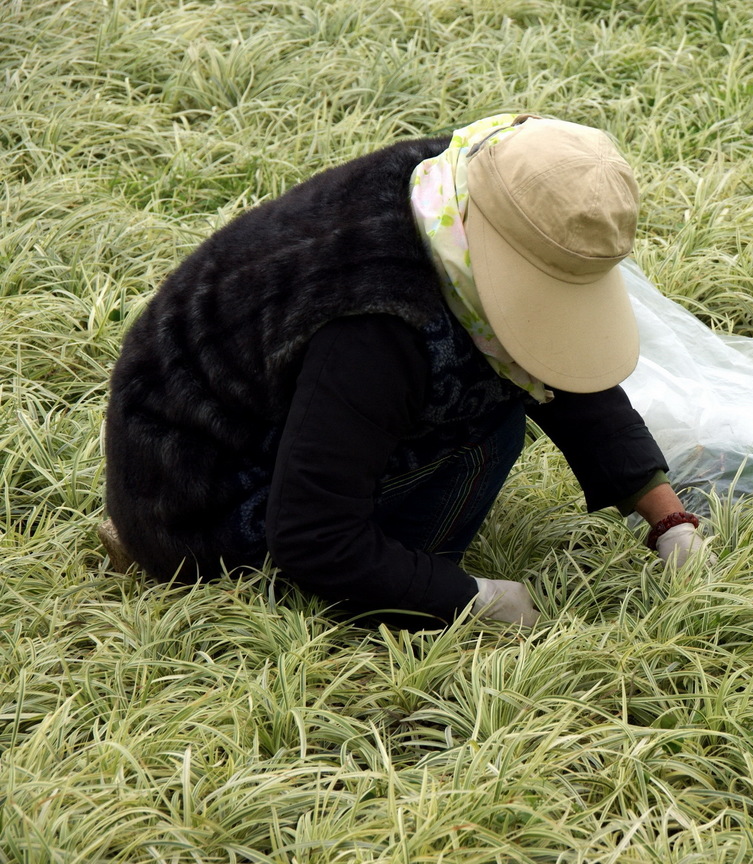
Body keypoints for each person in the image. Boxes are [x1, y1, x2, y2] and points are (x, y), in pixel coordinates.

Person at [101, 114, 709, 628]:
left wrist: (665, 515)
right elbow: (313, 535)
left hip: (201, 441)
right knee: (491, 421)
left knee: (501, 363)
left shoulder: (453, 183)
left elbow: (553, 357)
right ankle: (330, 583)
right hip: (199, 507)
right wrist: (471, 601)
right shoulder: (379, 320)